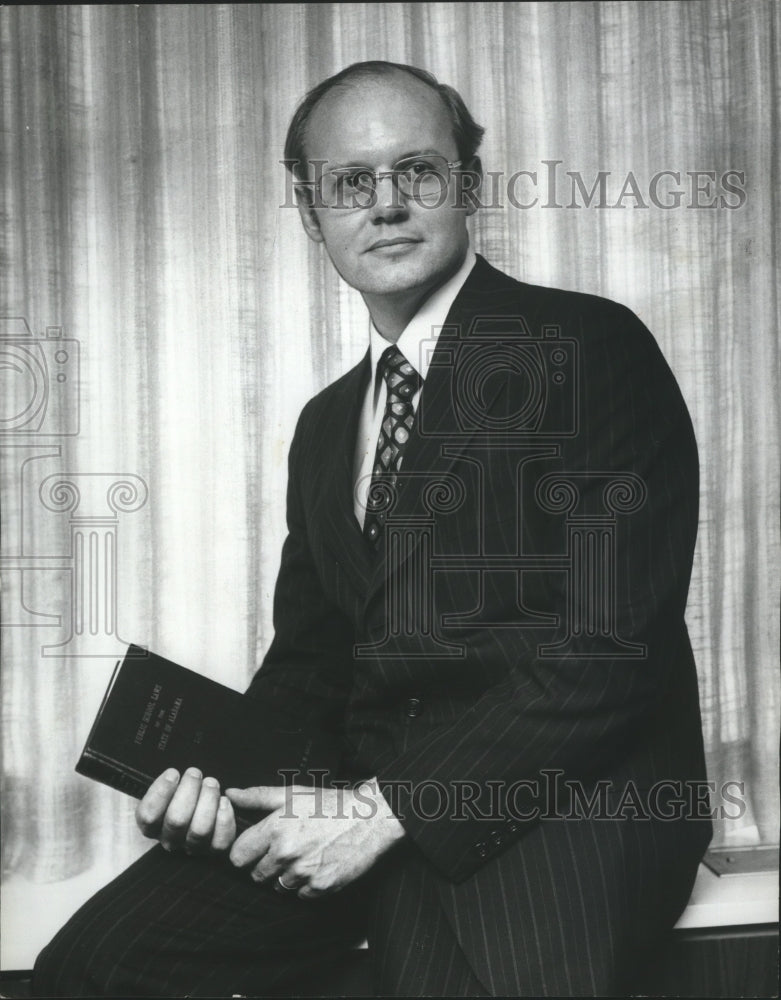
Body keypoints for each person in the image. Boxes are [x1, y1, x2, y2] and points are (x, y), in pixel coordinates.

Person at [33, 60, 711, 998]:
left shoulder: (589, 347)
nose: (385, 204)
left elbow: (611, 646)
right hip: (360, 793)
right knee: (96, 968)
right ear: (312, 213)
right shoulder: (326, 424)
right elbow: (316, 662)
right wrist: (217, 787)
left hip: (554, 798)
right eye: (350, 183)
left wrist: (391, 811)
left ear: (466, 186)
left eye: (417, 171)